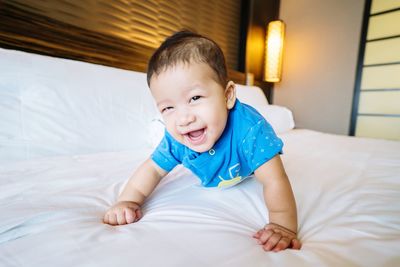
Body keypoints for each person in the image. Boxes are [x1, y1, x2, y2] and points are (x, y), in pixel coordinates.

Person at [103, 30, 301, 252]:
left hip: (247, 166)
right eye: (168, 108)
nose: (184, 118)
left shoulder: (251, 130)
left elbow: (275, 180)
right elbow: (152, 170)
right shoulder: (177, 138)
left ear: (227, 96)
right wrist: (128, 201)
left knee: (264, 166)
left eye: (195, 98)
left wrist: (282, 225)